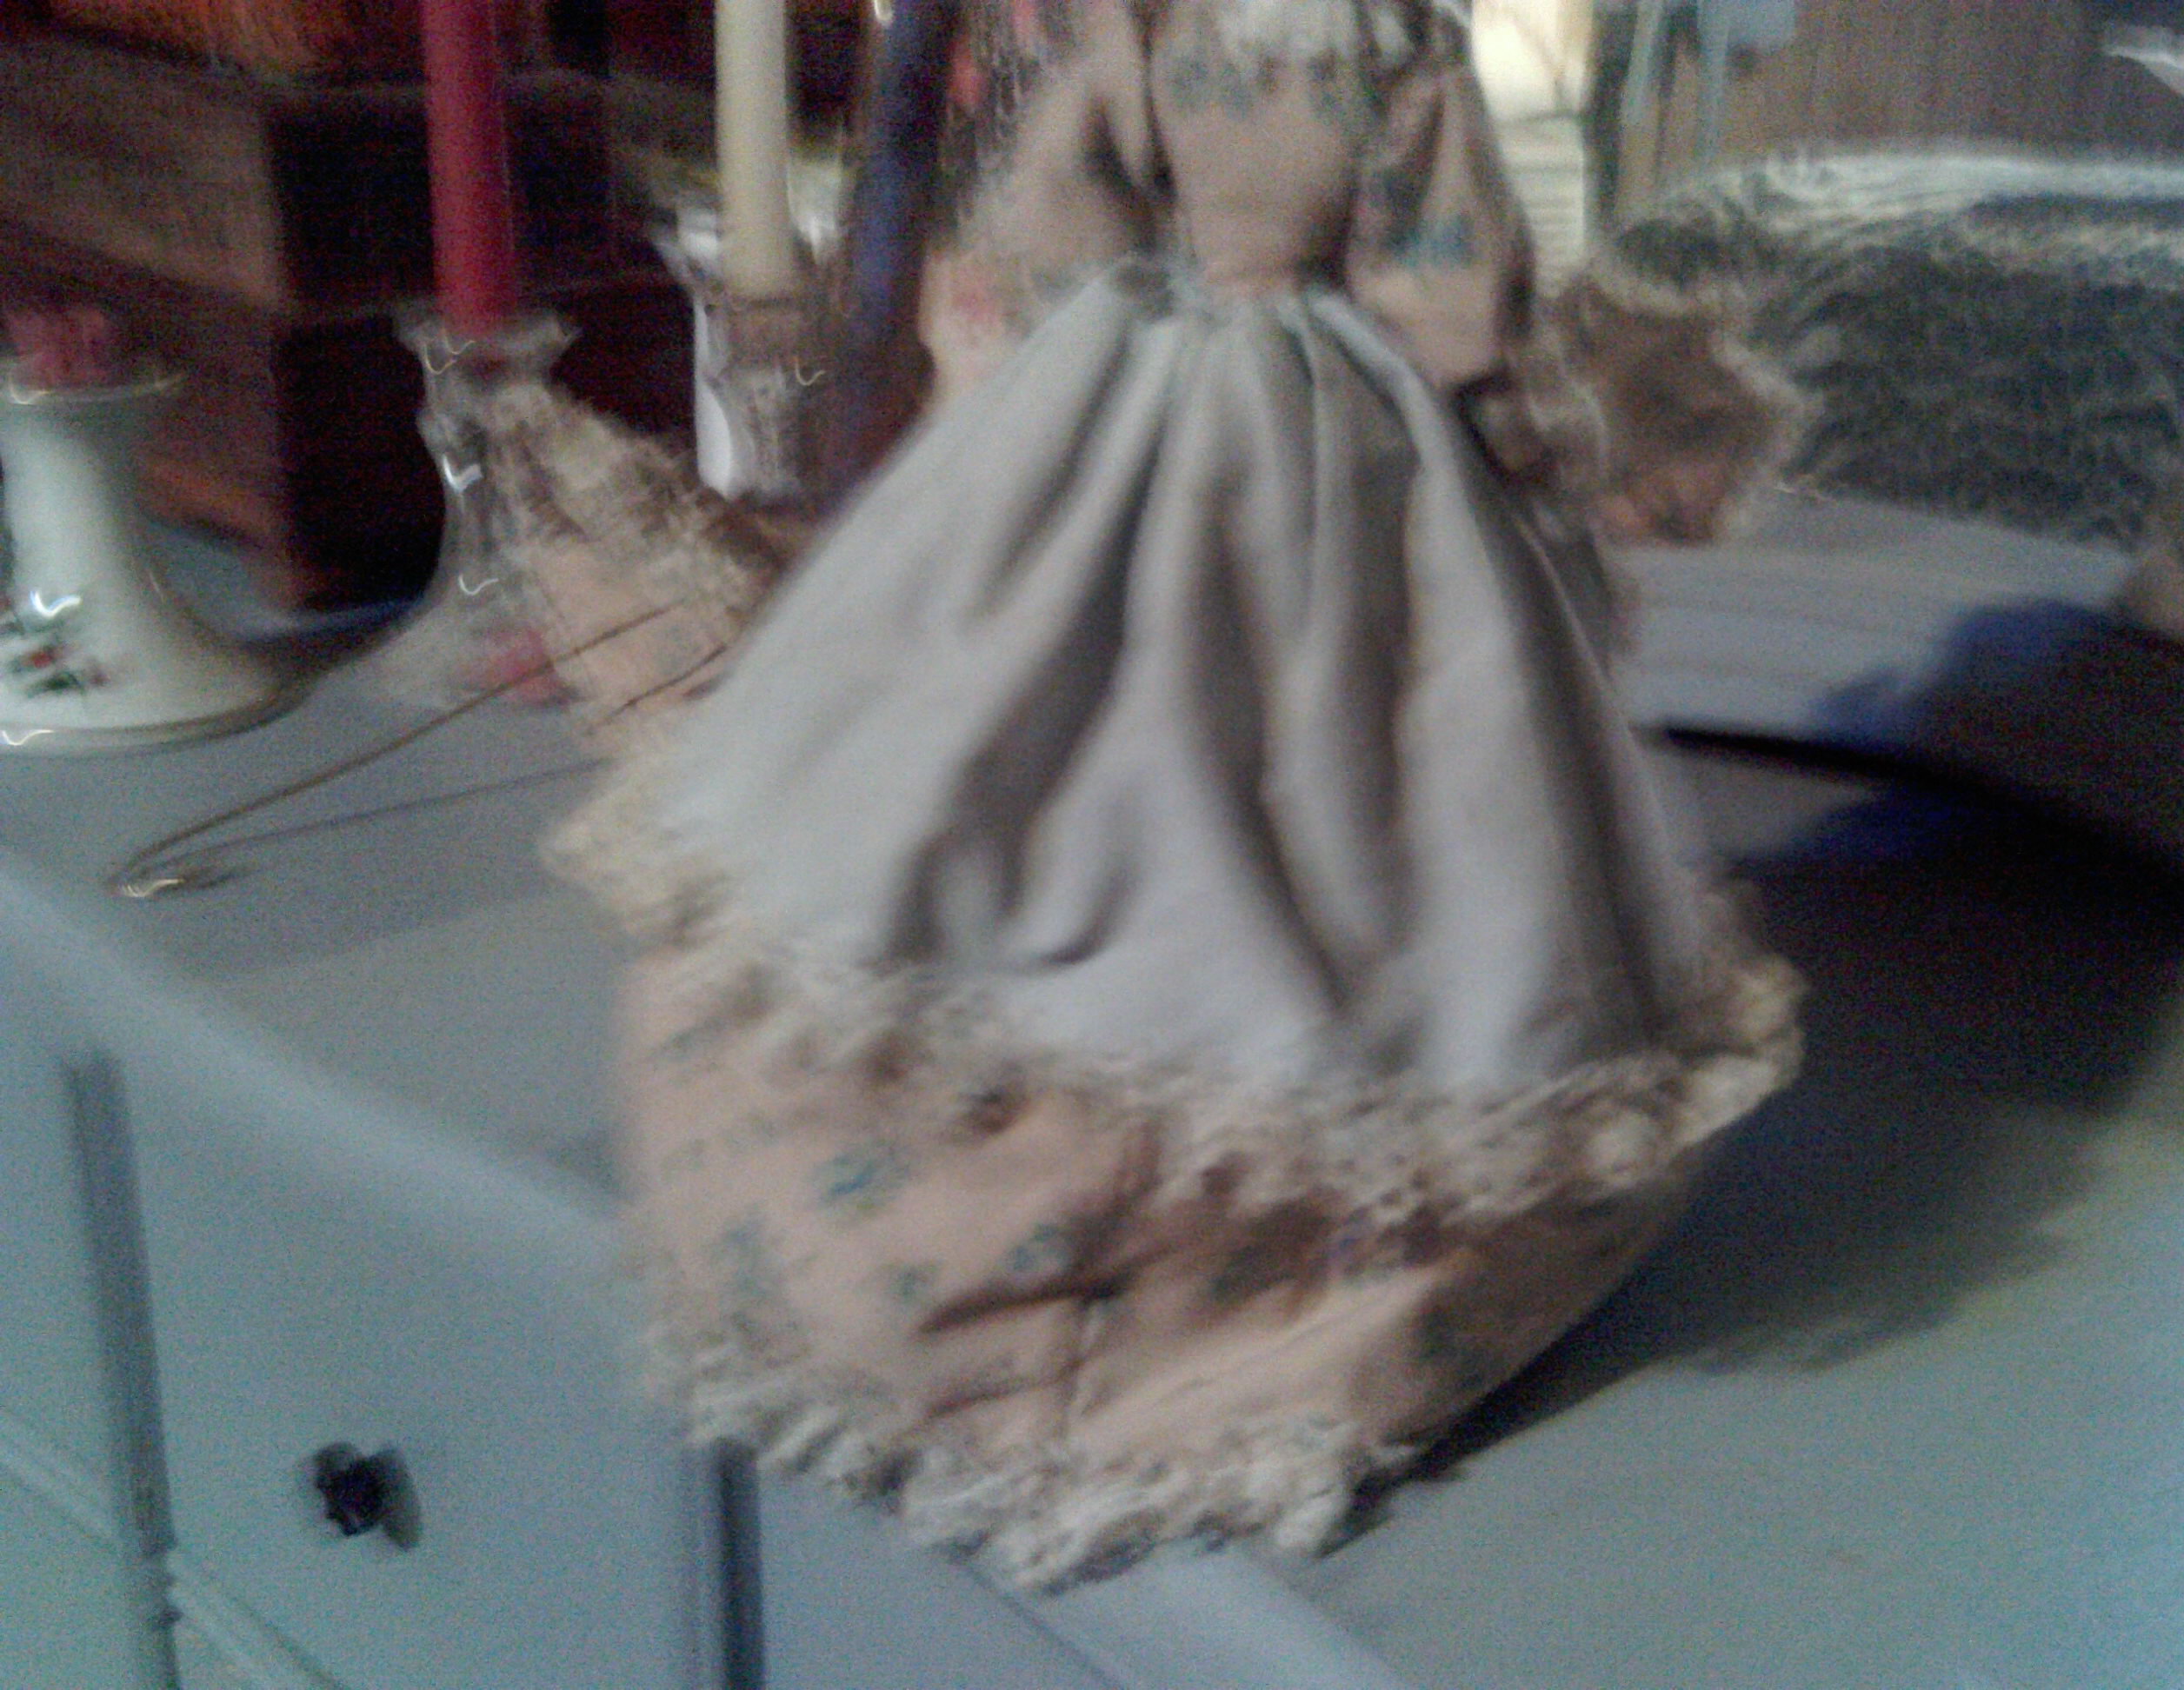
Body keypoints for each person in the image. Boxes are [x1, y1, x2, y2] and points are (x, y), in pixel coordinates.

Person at [549, 0, 1801, 1587]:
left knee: (1023, 724)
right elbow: (1452, 289)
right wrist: (1515, 443)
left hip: (1121, 377)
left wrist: (1052, 359)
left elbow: (1056, 210)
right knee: (1360, 766)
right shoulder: (1388, 38)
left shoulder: (1146, 16)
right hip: (1335, 422)